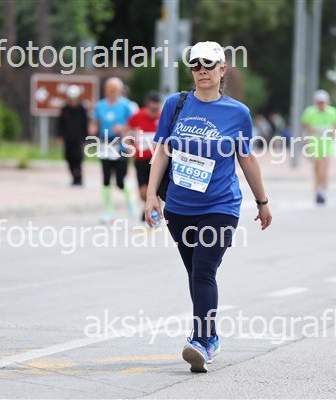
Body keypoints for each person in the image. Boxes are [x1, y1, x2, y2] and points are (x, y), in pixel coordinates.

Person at [144, 41, 272, 373]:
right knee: (196, 273)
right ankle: (211, 334)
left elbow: (246, 158)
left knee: (203, 271)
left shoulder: (237, 113)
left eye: (208, 64)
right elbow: (162, 151)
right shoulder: (175, 104)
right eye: (195, 64)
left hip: (220, 206)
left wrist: (262, 201)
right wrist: (151, 195)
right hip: (179, 208)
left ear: (222, 69)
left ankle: (200, 341)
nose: (201, 69)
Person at [89, 77, 137, 224]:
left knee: (120, 180)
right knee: (105, 178)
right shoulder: (100, 105)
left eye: (114, 89)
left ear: (120, 90)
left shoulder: (127, 106)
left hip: (121, 145)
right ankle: (108, 211)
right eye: (108, 89)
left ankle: (131, 201)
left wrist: (123, 130)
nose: (111, 92)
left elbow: (135, 125)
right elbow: (94, 121)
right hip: (105, 144)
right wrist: (93, 128)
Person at [126, 91, 161, 221]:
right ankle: (148, 205)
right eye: (152, 109)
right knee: (143, 191)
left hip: (157, 159)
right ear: (147, 106)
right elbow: (126, 130)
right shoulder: (137, 116)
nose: (155, 112)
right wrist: (128, 146)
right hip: (141, 159)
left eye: (157, 109)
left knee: (156, 189)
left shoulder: (162, 117)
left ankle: (156, 213)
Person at [301, 90, 336, 205]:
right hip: (314, 142)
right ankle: (318, 189)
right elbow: (304, 125)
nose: (321, 104)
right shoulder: (310, 111)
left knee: (325, 167)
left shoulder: (332, 111)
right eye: (319, 102)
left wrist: (333, 133)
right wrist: (310, 131)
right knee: (317, 167)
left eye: (323, 102)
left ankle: (322, 190)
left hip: (327, 143)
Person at [58, 85, 88, 186]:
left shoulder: (82, 109)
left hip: (78, 139)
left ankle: (78, 178)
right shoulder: (65, 109)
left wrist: (85, 138)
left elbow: (85, 124)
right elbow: (61, 124)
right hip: (68, 138)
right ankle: (73, 177)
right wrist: (60, 135)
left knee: (77, 158)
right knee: (68, 157)